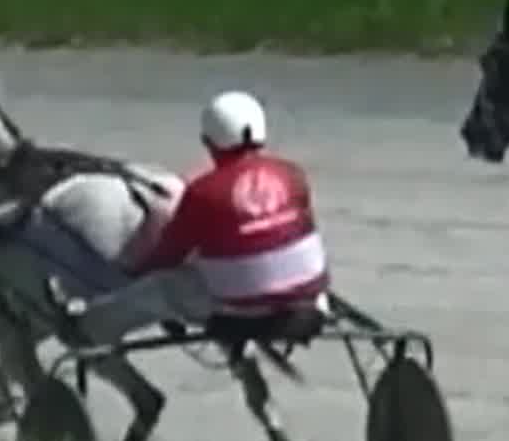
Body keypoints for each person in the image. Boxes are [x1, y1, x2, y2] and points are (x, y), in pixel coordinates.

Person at [65, 88, 330, 349]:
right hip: (310, 297)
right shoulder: (292, 173)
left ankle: (88, 329)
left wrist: (136, 273)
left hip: (244, 312)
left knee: (159, 287)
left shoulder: (203, 191)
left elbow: (170, 254)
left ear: (210, 142)